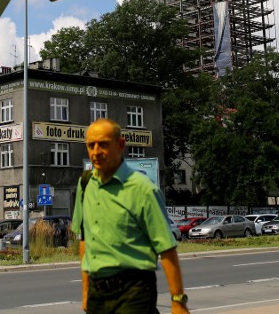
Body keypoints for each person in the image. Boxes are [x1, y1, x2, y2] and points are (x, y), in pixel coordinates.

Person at [71, 118, 190, 313]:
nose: (96, 152)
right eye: (91, 145)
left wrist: (178, 301)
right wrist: (85, 293)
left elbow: (166, 247)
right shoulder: (85, 184)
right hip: (97, 293)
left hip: (133, 289)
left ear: (120, 145)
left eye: (103, 144)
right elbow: (85, 240)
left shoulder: (143, 189)